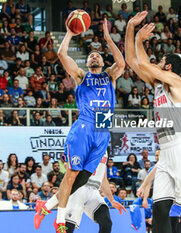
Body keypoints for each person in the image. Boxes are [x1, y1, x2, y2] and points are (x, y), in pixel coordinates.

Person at [34, 18, 125, 232]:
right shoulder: (81, 76)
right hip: (85, 125)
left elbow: (121, 64)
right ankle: (58, 218)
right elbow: (62, 55)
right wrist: (68, 33)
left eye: (98, 55)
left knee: (82, 178)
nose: (94, 55)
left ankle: (45, 206)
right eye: (90, 55)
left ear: (102, 62)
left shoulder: (110, 76)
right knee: (73, 174)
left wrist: (108, 39)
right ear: (87, 63)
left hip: (103, 130)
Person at [126, 12, 181, 232]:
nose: (158, 62)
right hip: (165, 151)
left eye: (162, 61)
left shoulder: (176, 81)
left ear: (169, 67)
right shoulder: (157, 84)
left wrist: (139, 40)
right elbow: (132, 61)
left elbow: (144, 64)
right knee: (160, 209)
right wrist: (130, 29)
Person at [34, 153, 126, 233]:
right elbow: (68, 166)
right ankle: (47, 208)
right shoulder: (86, 142)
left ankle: (45, 206)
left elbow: (103, 178)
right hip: (77, 190)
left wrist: (112, 200)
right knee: (67, 229)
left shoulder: (104, 148)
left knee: (106, 223)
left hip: (94, 192)